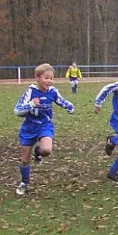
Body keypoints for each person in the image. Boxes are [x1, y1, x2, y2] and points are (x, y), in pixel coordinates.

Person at [14, 63, 75, 196]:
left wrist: (69, 106)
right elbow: (17, 111)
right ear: (37, 78)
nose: (49, 81)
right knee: (24, 159)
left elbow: (61, 100)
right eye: (46, 78)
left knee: (47, 149)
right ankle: (25, 181)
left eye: (51, 78)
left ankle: (39, 151)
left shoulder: (53, 91)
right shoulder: (30, 92)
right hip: (29, 127)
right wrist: (30, 104)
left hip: (44, 125)